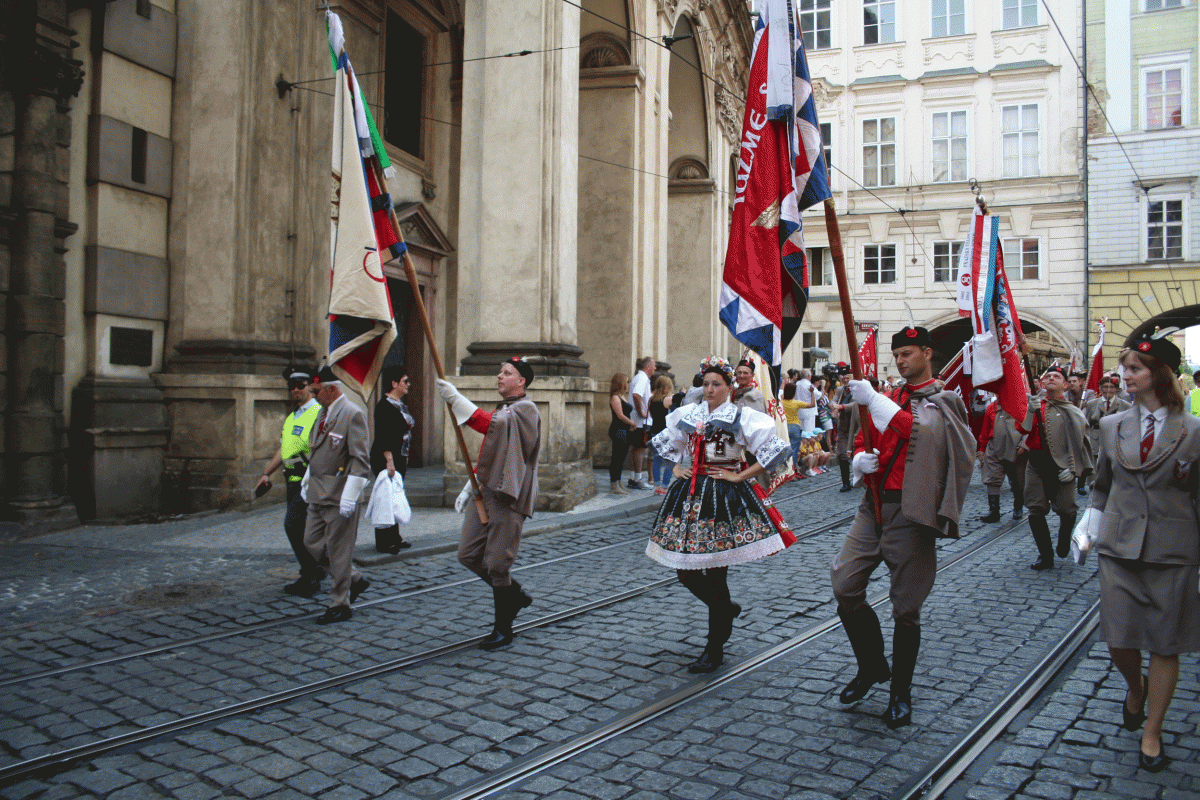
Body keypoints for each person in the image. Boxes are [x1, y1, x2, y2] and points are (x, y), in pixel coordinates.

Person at [831, 326, 974, 729]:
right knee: (845, 585)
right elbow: (864, 437)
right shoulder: (887, 398)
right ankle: (872, 666)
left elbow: (924, 435)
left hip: (912, 512)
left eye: (908, 353)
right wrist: (859, 458)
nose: (901, 361)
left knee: (906, 608)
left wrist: (875, 400)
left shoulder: (944, 400)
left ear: (928, 353)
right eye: (897, 355)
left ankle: (900, 692)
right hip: (872, 506)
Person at [1075, 333, 1200, 772]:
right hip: (1120, 546)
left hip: (1175, 549)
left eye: (1134, 369)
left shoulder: (1195, 430)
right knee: (1119, 639)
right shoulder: (1112, 426)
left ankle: (1153, 731)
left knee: (1167, 644)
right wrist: (1089, 521)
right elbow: (1102, 485)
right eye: (1124, 368)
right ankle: (1135, 687)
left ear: (1159, 375)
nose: (1124, 376)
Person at [647, 356, 794, 673]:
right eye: (707, 383)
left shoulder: (742, 417)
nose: (710, 389)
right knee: (685, 571)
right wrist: (676, 467)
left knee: (715, 573)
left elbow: (775, 450)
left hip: (723, 498)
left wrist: (740, 475)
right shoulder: (690, 414)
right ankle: (725, 610)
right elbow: (666, 441)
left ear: (729, 387)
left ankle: (714, 647)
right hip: (689, 497)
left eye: (717, 384)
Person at [436, 357, 542, 650]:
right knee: (468, 554)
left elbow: (489, 425)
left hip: (509, 496)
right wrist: (470, 484)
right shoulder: (504, 410)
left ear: (521, 381)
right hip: (486, 490)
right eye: (500, 371)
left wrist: (458, 400)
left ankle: (503, 628)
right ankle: (514, 595)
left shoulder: (525, 411)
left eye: (506, 373)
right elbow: (492, 449)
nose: (499, 376)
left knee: (497, 562)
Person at [301, 367, 371, 624]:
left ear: (332, 389)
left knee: (339, 551)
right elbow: (318, 448)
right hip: (317, 493)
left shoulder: (352, 414)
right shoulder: (322, 412)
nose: (314, 395)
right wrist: (310, 474)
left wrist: (351, 495)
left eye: (317, 391)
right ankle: (353, 578)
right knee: (311, 542)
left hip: (340, 494)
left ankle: (340, 603)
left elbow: (360, 460)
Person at [256, 368, 326, 598]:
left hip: (309, 481)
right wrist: (267, 473)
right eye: (292, 386)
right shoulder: (293, 416)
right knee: (304, 528)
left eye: (301, 385)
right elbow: (285, 449)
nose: (295, 389)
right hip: (293, 480)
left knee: (294, 526)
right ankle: (315, 569)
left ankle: (312, 573)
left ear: (310, 387)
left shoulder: (318, 412)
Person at [1017, 366, 1092, 570]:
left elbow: (1079, 444)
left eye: (1056, 376)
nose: (1051, 378)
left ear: (1065, 385)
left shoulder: (1072, 411)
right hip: (1036, 464)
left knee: (1067, 510)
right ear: (1042, 384)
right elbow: (1022, 429)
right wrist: (1030, 411)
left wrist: (1074, 468)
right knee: (1035, 509)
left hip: (1062, 466)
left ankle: (1064, 537)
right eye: (1047, 376)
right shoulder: (1035, 404)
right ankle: (1045, 555)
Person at [369, 366, 415, 553]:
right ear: (394, 383)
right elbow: (383, 436)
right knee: (385, 499)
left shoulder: (400, 405)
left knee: (395, 496)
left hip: (399, 456)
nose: (408, 385)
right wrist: (389, 461)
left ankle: (395, 537)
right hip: (385, 458)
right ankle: (384, 541)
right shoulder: (384, 406)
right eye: (405, 381)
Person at [977, 396, 1028, 522]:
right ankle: (994, 511)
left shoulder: (1022, 407)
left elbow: (1029, 427)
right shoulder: (991, 408)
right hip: (994, 447)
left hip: (1016, 449)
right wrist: (982, 449)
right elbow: (985, 430)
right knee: (992, 478)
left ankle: (1018, 507)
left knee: (1018, 480)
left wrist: (1024, 445)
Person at [1082, 377, 1132, 491]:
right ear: (1100, 389)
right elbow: (1086, 425)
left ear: (1116, 389)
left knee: (1114, 476)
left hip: (1116, 443)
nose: (1108, 390)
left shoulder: (1125, 405)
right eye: (1105, 387)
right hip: (1096, 443)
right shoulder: (1092, 404)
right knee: (1095, 476)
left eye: (1111, 387)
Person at [627, 356, 656, 490]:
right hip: (641, 421)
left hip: (637, 420)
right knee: (640, 450)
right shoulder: (643, 378)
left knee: (635, 449)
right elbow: (636, 395)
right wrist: (641, 412)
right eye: (654, 365)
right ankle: (637, 479)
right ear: (648, 366)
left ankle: (633, 477)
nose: (655, 368)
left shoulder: (639, 377)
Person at [607, 373, 636, 495]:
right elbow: (620, 415)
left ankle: (618, 483)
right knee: (617, 457)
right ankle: (614, 485)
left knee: (622, 457)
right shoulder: (615, 398)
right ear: (621, 382)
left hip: (625, 430)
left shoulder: (622, 396)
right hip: (619, 430)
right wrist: (632, 423)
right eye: (627, 381)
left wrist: (630, 425)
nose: (628, 384)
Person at [649, 376, 676, 493]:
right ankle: (665, 486)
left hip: (654, 431)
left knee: (657, 459)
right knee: (671, 459)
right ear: (666, 387)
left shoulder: (652, 400)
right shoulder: (667, 399)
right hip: (666, 432)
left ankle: (657, 485)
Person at [832, 366, 855, 492]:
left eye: (848, 378)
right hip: (843, 426)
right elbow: (833, 401)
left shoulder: (857, 389)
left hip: (856, 426)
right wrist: (834, 406)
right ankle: (846, 483)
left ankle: (859, 479)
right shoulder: (840, 390)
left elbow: (854, 404)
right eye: (844, 378)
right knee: (841, 454)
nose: (845, 380)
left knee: (858, 454)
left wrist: (841, 407)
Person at [780, 383, 811, 466]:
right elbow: (812, 405)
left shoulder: (781, 403)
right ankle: (793, 469)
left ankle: (784, 469)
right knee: (794, 450)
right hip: (795, 426)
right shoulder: (796, 403)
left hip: (784, 426)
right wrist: (812, 393)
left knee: (783, 449)